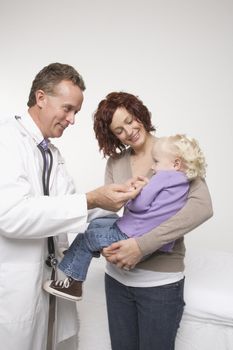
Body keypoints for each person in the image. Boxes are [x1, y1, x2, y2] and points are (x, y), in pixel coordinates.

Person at [0, 65, 143, 350]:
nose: (72, 119)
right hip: (17, 288)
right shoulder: (7, 141)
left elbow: (71, 206)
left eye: (75, 111)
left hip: (53, 282)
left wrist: (122, 209)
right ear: (41, 98)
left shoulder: (50, 152)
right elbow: (11, 215)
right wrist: (91, 199)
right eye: (67, 109)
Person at [93, 91, 213, 350]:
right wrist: (104, 243)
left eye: (130, 119)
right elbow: (111, 211)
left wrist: (143, 246)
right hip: (116, 280)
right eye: (118, 130)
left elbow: (203, 207)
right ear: (113, 137)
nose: (129, 130)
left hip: (159, 284)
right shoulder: (116, 163)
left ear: (140, 113)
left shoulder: (173, 152)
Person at [43, 133, 207, 302]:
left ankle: (73, 285)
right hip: (150, 239)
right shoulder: (185, 181)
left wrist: (135, 192)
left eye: (156, 162)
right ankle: (75, 255)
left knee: (88, 237)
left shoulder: (162, 177)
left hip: (131, 235)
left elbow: (139, 206)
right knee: (101, 221)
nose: (152, 167)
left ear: (176, 163)